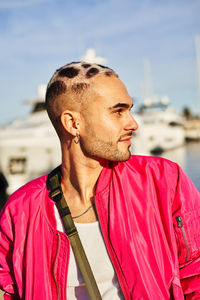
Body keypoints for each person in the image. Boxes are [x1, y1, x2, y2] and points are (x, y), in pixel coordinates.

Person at [0, 62, 200, 300]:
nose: (133, 123)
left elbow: (194, 276)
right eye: (118, 111)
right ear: (73, 123)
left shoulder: (164, 182)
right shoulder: (20, 211)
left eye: (129, 110)